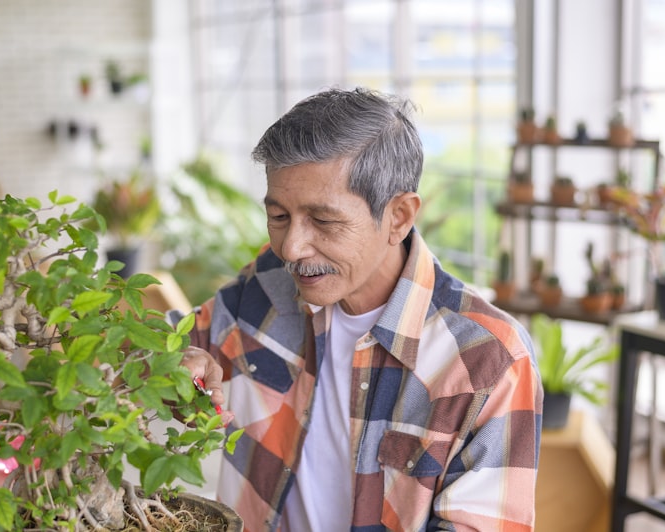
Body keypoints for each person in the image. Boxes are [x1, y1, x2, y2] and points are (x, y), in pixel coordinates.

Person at [172, 87, 543, 531]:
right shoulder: (270, 282)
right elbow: (159, 346)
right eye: (278, 216)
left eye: (324, 221)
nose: (291, 247)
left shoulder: (490, 362)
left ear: (400, 216)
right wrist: (175, 365)